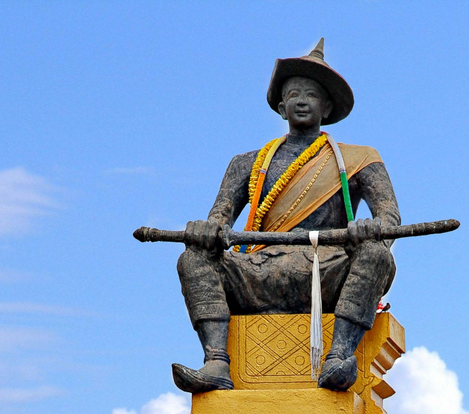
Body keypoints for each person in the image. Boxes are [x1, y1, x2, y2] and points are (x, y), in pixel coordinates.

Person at [172, 40, 401, 394]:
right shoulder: (247, 163)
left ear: (327, 107)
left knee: (376, 255)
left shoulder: (359, 158)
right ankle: (216, 360)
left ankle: (339, 356)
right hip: (259, 273)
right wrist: (206, 231)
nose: (302, 100)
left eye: (311, 94)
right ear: (281, 107)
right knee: (194, 258)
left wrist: (372, 230)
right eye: (293, 93)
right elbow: (218, 220)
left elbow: (389, 219)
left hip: (326, 270)